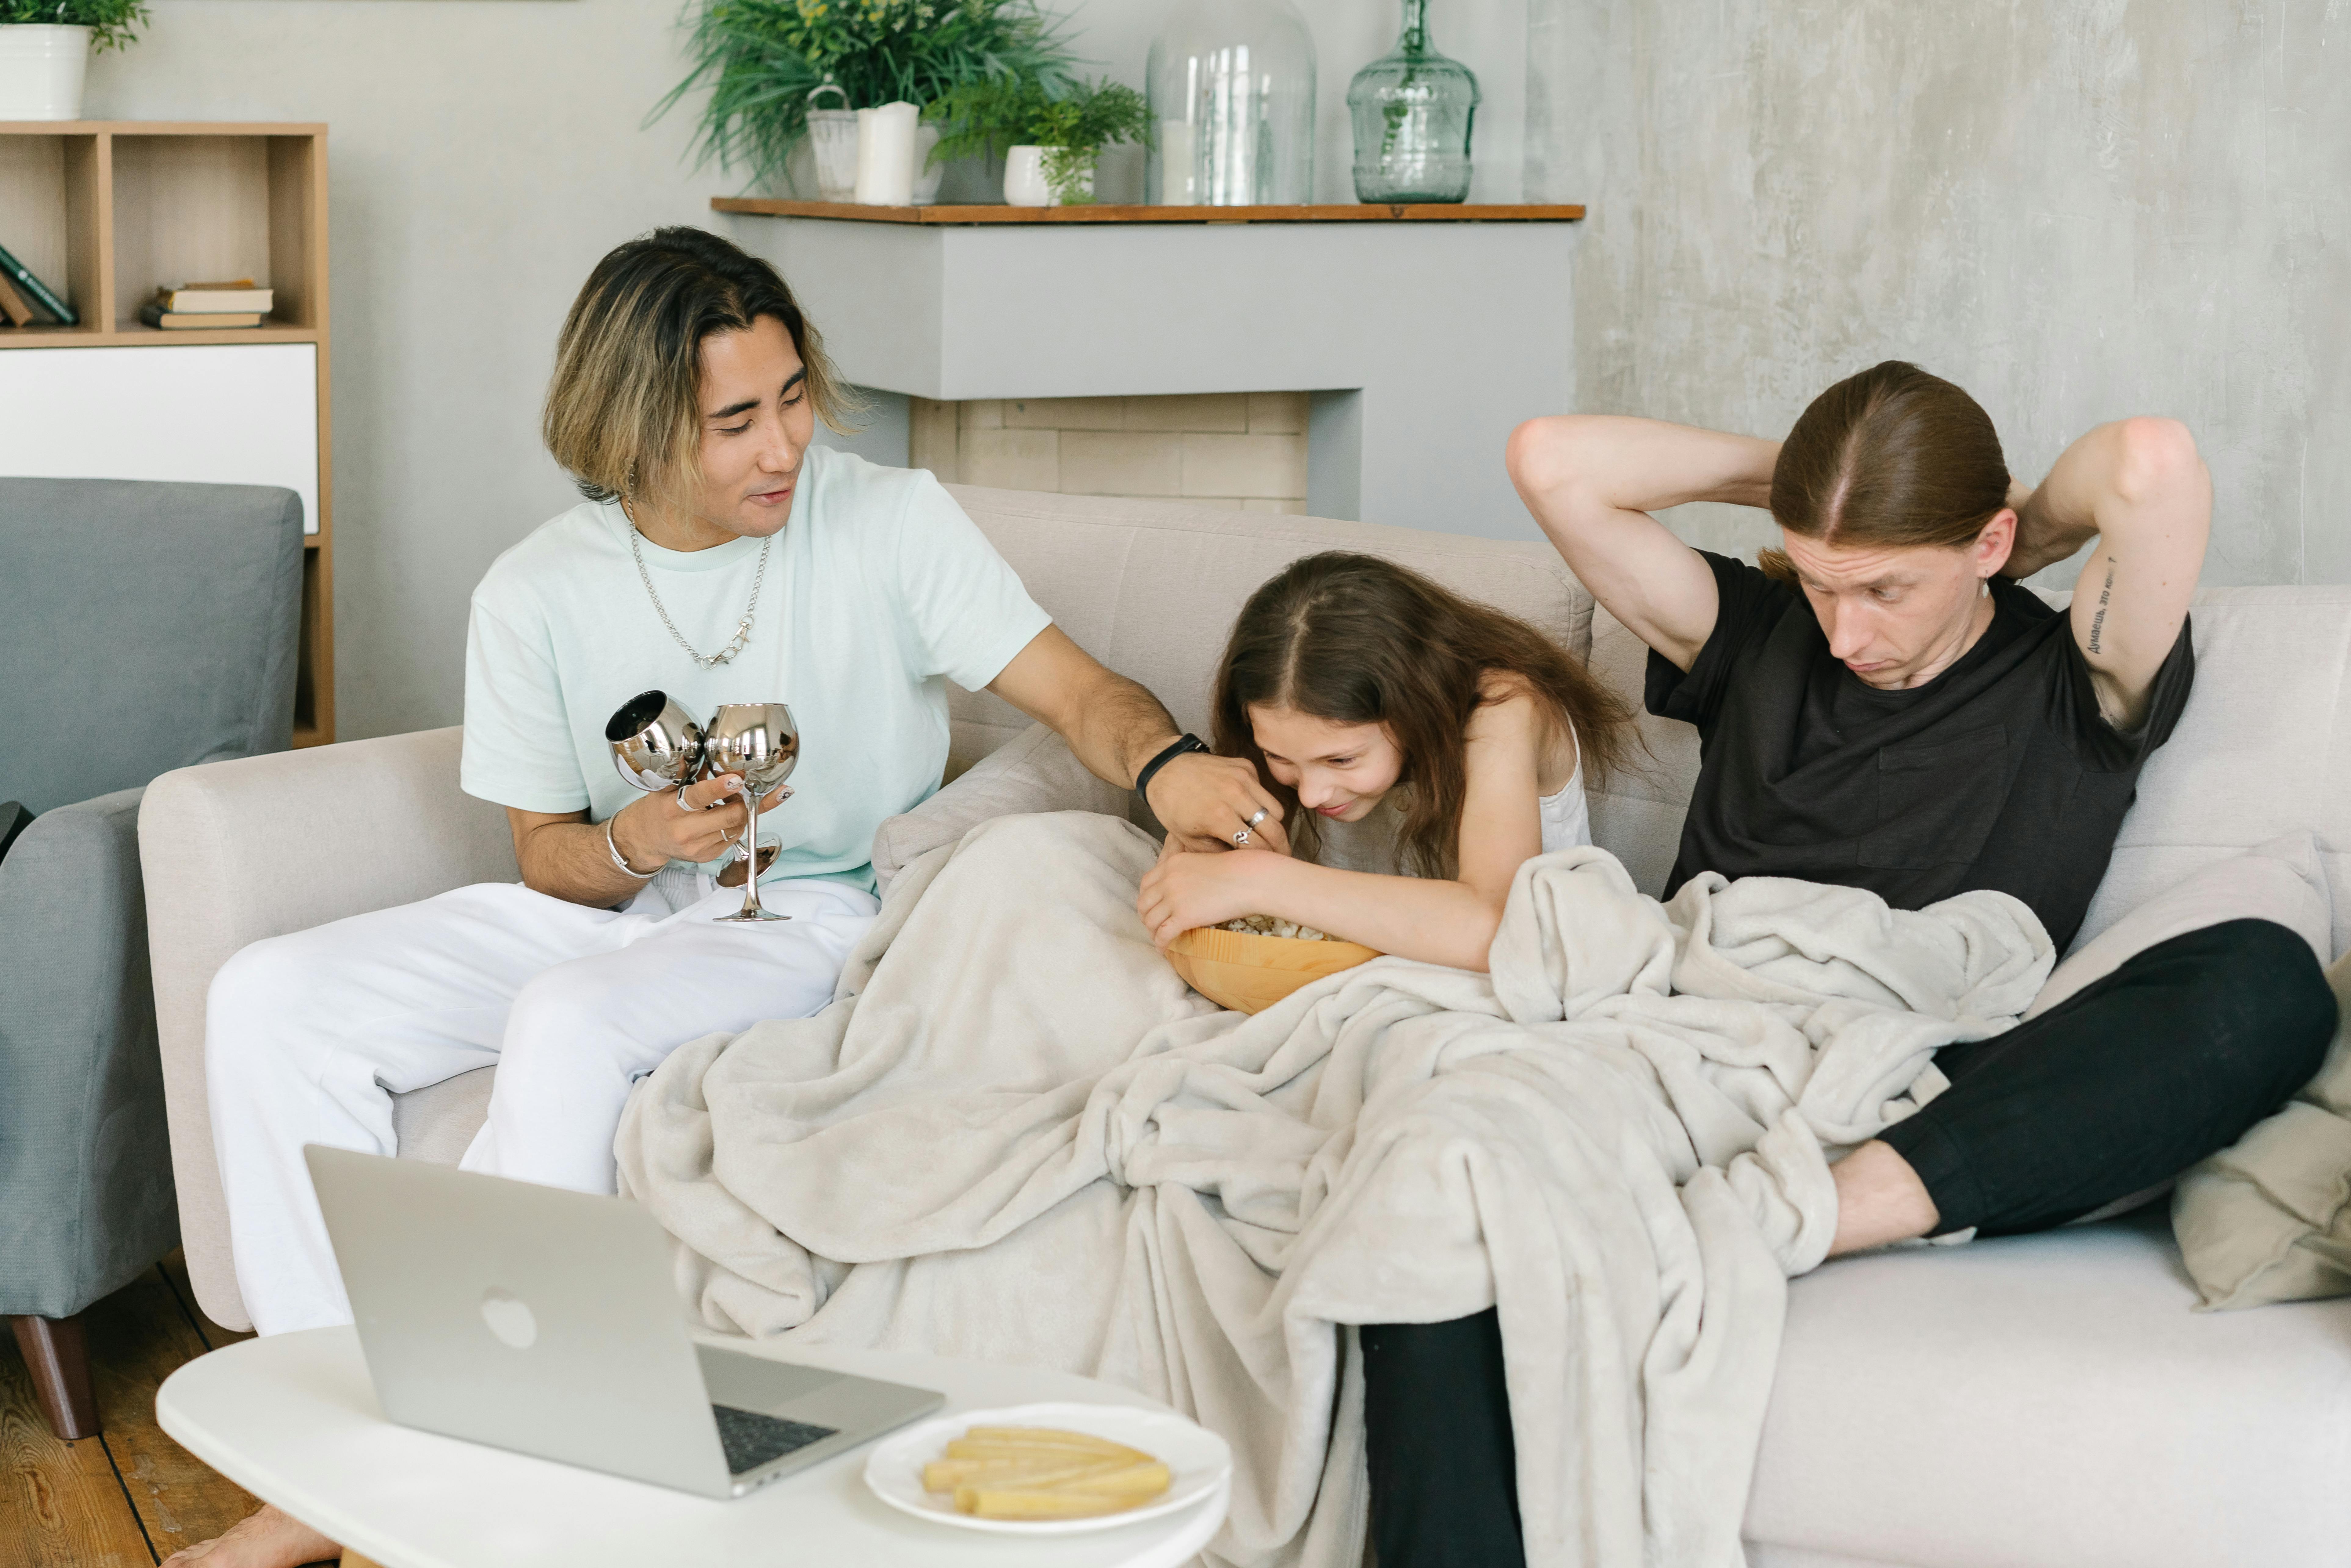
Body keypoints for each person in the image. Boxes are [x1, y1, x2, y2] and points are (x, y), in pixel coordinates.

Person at [170, 227, 1286, 1568]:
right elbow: (544, 854)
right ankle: (331, 1453)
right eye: (736, 421)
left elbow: (1081, 692)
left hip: (817, 914)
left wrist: (1166, 769)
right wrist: (633, 843)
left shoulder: (886, 522)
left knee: (574, 1023)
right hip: (634, 906)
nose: (783, 449)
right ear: (634, 431)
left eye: (794, 398)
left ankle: (487, 1465)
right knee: (271, 997)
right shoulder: (532, 592)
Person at [1354, 361, 2340, 1567]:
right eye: (1820, 585)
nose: (1846, 631)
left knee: (2261, 985)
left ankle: (1792, 1211)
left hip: (1917, 1076)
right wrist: (1830, 491)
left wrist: (2007, 529)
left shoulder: (2075, 681)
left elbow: (2147, 463)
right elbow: (1551, 460)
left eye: (1884, 586)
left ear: (1986, 541)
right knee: (1451, 1172)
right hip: (1679, 1029)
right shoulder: (1753, 634)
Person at [1135, 552, 1638, 969]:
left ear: (1414, 704)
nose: (1310, 794)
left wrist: (1259, 880)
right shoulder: (1284, 734)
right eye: (1277, 756)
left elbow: (1494, 928)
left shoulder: (1503, 709)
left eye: (1342, 759)